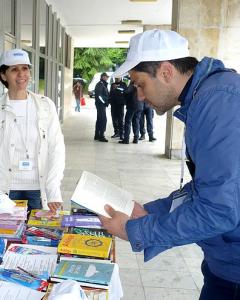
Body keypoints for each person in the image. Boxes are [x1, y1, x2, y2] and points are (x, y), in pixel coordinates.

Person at [100, 29, 240, 299]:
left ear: (166, 72)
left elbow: (220, 210)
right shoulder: (207, 98)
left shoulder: (218, 103)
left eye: (140, 84)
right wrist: (150, 212)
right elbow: (207, 187)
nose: (139, 96)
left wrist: (135, 229)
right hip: (225, 262)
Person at [0, 49, 65, 213]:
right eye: (14, 69)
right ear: (3, 75)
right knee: (4, 235)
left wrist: (53, 189)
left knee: (35, 235)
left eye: (25, 68)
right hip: (4, 187)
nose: (21, 74)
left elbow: (56, 149)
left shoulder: (45, 105)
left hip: (38, 188)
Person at [94, 72, 110, 142]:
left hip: (100, 104)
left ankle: (97, 135)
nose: (107, 78)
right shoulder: (100, 84)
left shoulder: (103, 84)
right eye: (106, 77)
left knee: (99, 119)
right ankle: (101, 136)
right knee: (103, 119)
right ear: (103, 77)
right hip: (100, 105)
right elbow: (99, 96)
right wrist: (104, 102)